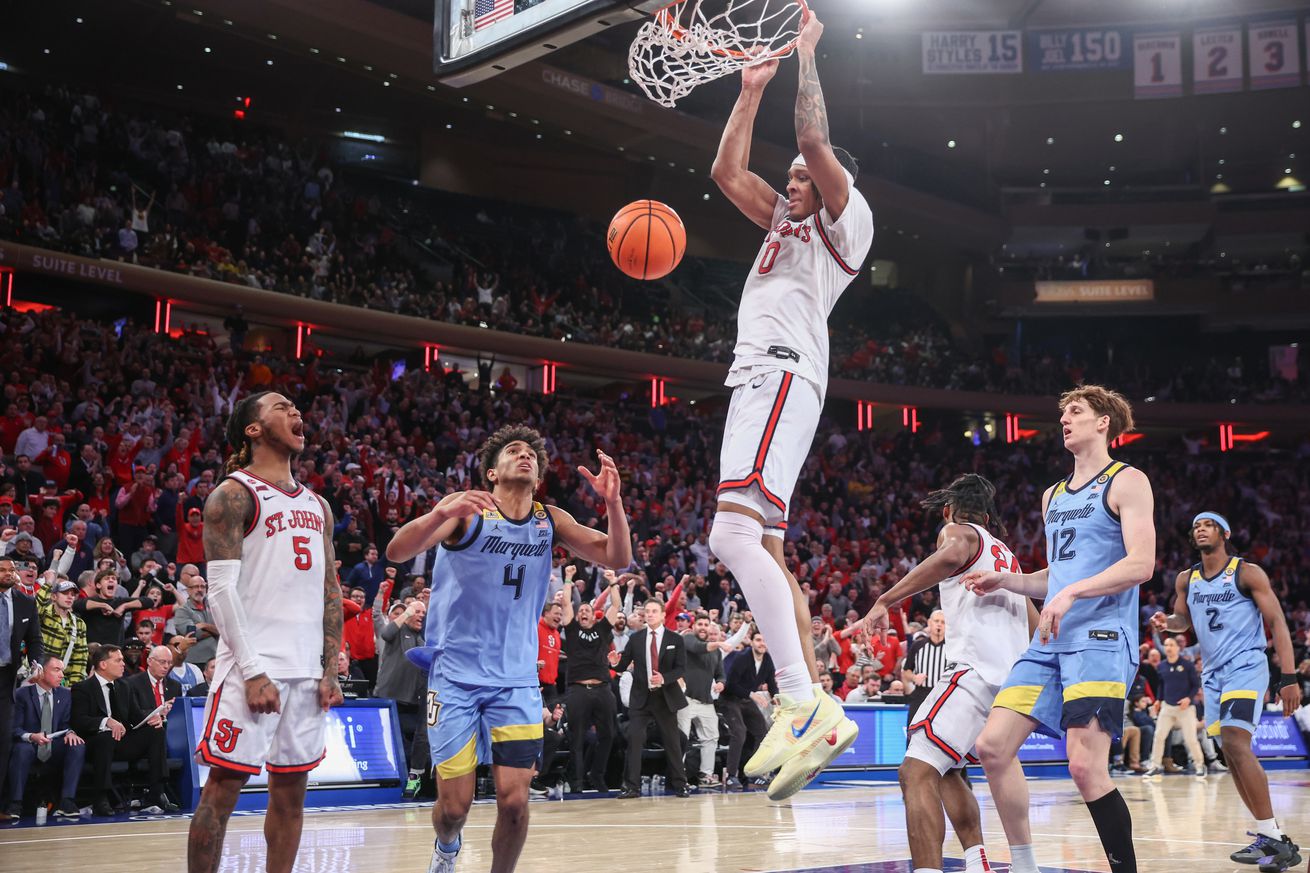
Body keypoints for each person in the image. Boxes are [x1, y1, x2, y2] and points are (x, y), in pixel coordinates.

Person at [706, 8, 873, 800]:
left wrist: (806, 56)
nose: (792, 183)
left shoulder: (847, 221)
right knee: (762, 548)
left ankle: (807, 701)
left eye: (804, 179)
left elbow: (813, 142)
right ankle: (801, 702)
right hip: (762, 380)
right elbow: (726, 176)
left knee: (729, 532)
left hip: (781, 374)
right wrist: (749, 90)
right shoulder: (783, 221)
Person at [385, 424, 631, 873]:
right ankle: (445, 848)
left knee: (515, 802)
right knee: (454, 809)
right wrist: (440, 515)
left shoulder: (548, 518)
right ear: (491, 473)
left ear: (538, 475)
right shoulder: (465, 510)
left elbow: (616, 558)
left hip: (516, 680)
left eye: (531, 454)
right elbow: (397, 551)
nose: (525, 456)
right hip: (455, 676)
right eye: (513, 452)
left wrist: (613, 504)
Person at [964, 385, 1155, 873]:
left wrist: (1069, 594)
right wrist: (1006, 580)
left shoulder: (1127, 480)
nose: (1065, 419)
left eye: (1076, 411)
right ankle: (1024, 865)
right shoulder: (1052, 495)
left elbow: (1141, 564)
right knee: (991, 746)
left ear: (1103, 423)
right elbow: (1057, 576)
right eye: (1063, 412)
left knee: (1085, 767)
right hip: (1051, 642)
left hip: (1102, 638)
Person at [187, 391, 344, 873]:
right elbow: (220, 593)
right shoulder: (233, 494)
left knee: (292, 796)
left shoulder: (319, 505)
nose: (296, 411)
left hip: (306, 671)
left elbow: (330, 591)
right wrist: (253, 671)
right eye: (281, 406)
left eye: (298, 406)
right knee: (222, 790)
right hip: (253, 666)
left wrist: (330, 668)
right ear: (253, 429)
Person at [861, 474, 1037, 873]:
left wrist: (885, 600)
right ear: (990, 517)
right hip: (1009, 685)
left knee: (915, 770)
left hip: (974, 671)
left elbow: (950, 555)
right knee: (947, 767)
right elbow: (1035, 623)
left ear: (947, 510)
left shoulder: (958, 531)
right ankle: (978, 862)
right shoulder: (1005, 555)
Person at [1151, 511, 1303, 871]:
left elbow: (1278, 621)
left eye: (1208, 525)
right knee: (1228, 754)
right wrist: (1166, 624)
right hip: (1214, 674)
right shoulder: (1186, 579)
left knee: (1236, 741)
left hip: (1246, 666)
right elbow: (1182, 620)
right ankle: (1276, 841)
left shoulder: (1246, 572)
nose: (1201, 530)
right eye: (1196, 527)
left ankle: (1269, 835)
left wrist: (1289, 676)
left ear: (1225, 533)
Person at [70, 644, 173, 815]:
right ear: (103, 664)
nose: (123, 664)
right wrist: (106, 721)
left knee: (156, 731)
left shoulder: (124, 686)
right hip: (96, 743)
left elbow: (136, 717)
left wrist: (153, 719)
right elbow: (78, 721)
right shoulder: (83, 688)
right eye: (118, 660)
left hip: (123, 742)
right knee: (106, 737)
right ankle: (100, 798)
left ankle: (157, 792)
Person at [609, 598, 690, 799]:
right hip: (641, 697)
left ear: (663, 614)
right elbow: (623, 665)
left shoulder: (675, 639)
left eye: (654, 611)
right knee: (635, 740)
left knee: (672, 742)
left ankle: (680, 784)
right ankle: (631, 786)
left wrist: (665, 678)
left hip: (665, 697)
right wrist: (614, 664)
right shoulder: (635, 639)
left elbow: (681, 668)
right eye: (648, 611)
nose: (650, 614)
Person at [561, 570, 623, 792]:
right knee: (576, 738)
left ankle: (596, 775)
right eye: (582, 610)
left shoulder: (602, 628)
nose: (584, 612)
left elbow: (616, 606)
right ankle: (576, 782)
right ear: (578, 616)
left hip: (603, 689)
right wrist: (568, 578)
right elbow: (566, 604)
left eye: (588, 609)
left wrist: (613, 581)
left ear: (594, 614)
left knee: (609, 735)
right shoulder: (572, 628)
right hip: (578, 690)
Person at [7, 656, 85, 819]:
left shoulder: (65, 695)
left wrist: (70, 732)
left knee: (77, 745)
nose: (62, 675)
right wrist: (31, 736)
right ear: (41, 672)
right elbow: (14, 728)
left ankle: (67, 801)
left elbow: (65, 724)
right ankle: (15, 804)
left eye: (62, 670)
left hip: (53, 744)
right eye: (56, 670)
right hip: (29, 744)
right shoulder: (22, 694)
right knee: (22, 750)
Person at [0, 555, 43, 823]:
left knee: (4, 744)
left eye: (11, 569)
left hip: (6, 680)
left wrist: (36, 662)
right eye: (2, 569)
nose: (7, 573)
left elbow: (35, 640)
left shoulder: (26, 602)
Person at [719, 631, 777, 790]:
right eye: (758, 640)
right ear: (751, 642)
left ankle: (752, 773)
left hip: (746, 700)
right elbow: (730, 684)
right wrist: (752, 694)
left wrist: (777, 698)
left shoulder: (767, 659)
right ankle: (731, 775)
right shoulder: (742, 658)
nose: (762, 643)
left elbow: (771, 682)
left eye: (764, 640)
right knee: (739, 732)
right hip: (729, 699)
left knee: (762, 732)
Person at [1140, 637, 1205, 779]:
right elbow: (1161, 685)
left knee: (1190, 739)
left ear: (1177, 648)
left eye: (1171, 644)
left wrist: (1188, 698)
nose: (1168, 647)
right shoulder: (1162, 666)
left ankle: (1199, 765)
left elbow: (1195, 685)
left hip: (1185, 708)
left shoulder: (1187, 665)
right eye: (1166, 644)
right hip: (1167, 707)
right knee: (1159, 736)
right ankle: (1155, 766)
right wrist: (1158, 700)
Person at [679, 613, 728, 787]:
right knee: (681, 737)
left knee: (711, 738)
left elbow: (721, 674)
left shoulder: (715, 652)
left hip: (706, 701)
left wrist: (721, 683)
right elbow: (698, 648)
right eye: (699, 624)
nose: (702, 627)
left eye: (706, 624)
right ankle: (678, 776)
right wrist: (720, 643)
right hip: (686, 699)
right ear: (694, 626)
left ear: (709, 627)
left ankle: (705, 775)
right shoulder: (687, 639)